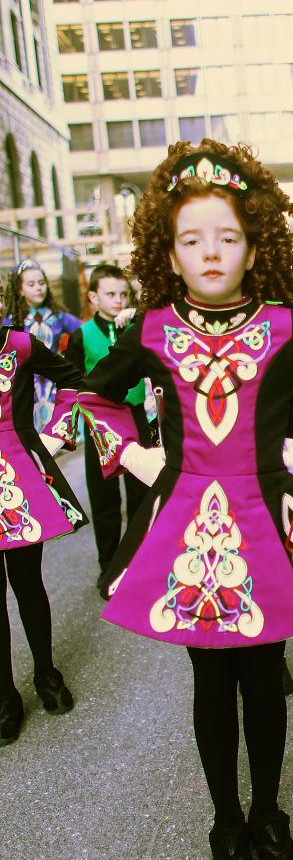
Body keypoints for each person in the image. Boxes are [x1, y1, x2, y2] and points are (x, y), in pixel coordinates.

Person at [76, 141, 293, 860]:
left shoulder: (283, 324)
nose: (210, 252)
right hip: (185, 529)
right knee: (210, 684)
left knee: (266, 685)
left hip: (269, 524)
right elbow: (89, 397)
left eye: (228, 237)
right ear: (168, 255)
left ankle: (270, 813)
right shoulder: (147, 330)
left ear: (255, 246)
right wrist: (139, 459)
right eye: (191, 239)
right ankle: (224, 822)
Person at [0, 277, 87, 746]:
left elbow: (74, 379)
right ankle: (4, 697)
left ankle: (46, 675)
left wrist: (53, 435)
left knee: (28, 583)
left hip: (17, 481)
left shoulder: (20, 344)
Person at [66, 264, 150, 594]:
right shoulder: (82, 335)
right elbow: (72, 384)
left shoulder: (135, 325)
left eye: (123, 294)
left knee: (142, 495)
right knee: (104, 499)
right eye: (111, 294)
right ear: (93, 297)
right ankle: (109, 568)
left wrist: (136, 315)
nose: (118, 300)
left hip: (136, 418)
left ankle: (140, 564)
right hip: (100, 424)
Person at [3, 258, 81, 432]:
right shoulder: (12, 320)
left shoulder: (58, 316)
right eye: (31, 284)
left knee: (57, 429)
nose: (38, 288)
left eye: (41, 283)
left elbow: (84, 331)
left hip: (54, 379)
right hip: (25, 383)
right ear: (20, 290)